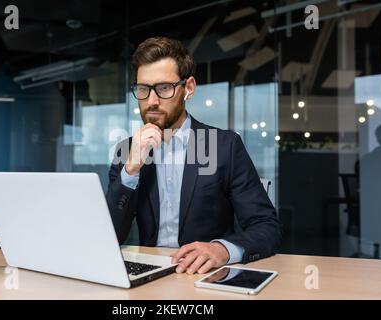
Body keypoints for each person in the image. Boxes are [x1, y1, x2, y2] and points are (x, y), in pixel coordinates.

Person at [106, 37, 282, 275]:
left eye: (164, 88)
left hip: (204, 274)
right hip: (148, 272)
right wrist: (130, 171)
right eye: (143, 89)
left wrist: (223, 250)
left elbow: (266, 226)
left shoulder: (225, 146)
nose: (152, 101)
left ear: (188, 88)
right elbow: (110, 235)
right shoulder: (126, 151)